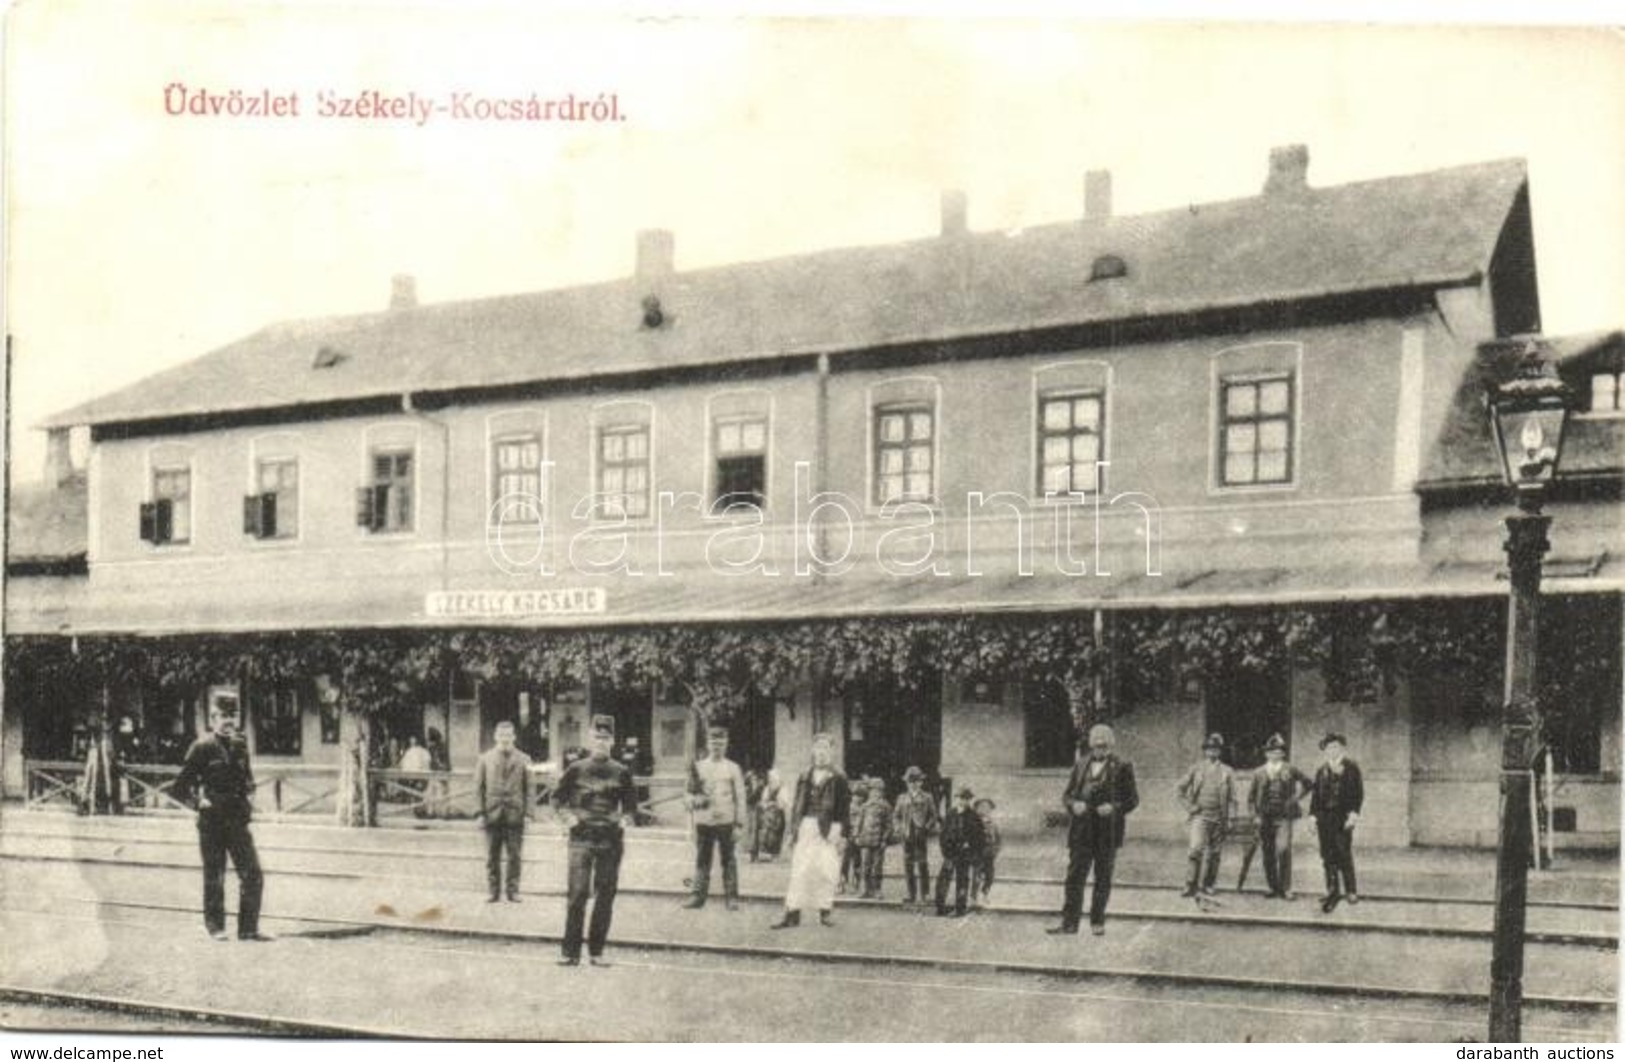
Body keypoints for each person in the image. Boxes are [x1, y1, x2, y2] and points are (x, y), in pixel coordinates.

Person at [173, 699, 271, 942]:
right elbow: (179, 787)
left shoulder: (240, 745)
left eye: (232, 716)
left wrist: (250, 789)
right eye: (222, 716)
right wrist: (198, 803)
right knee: (214, 876)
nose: (228, 721)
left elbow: (246, 776)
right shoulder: (201, 747)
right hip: (212, 822)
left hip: (237, 820)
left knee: (253, 874)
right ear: (213, 718)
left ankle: (248, 930)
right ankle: (215, 927)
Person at [552, 722, 638, 966]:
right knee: (577, 894)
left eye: (606, 738)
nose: (601, 742)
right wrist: (567, 818)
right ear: (590, 741)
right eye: (597, 737)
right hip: (582, 837)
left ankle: (597, 953)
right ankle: (570, 953)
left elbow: (631, 806)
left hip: (610, 840)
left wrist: (625, 819)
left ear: (612, 742)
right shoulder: (576, 768)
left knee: (605, 895)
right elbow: (557, 798)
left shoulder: (622, 771)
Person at [1049, 723, 1139, 937]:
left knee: (1103, 878)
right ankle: (1069, 923)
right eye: (1097, 746)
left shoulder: (1123, 766)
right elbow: (1067, 795)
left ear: (1111, 746)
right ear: (1091, 745)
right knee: (1074, 878)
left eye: (1105, 746)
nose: (1101, 749)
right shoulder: (1080, 764)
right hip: (1081, 832)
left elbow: (1132, 800)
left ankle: (1097, 921)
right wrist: (1073, 805)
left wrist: (1114, 808)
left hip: (1107, 833)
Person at [771, 733, 850, 929]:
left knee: (826, 870)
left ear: (832, 751)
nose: (821, 752)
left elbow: (843, 808)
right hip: (806, 826)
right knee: (799, 870)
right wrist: (793, 831)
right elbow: (798, 804)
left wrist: (841, 833)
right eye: (818, 748)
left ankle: (825, 912)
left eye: (825, 748)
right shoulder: (805, 775)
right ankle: (792, 913)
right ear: (813, 750)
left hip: (828, 827)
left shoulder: (839, 777)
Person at [682, 726, 748, 911]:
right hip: (704, 821)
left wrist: (739, 825)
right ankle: (697, 896)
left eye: (721, 743)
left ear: (726, 744)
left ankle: (732, 898)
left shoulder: (733, 768)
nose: (717, 746)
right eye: (713, 743)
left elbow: (740, 798)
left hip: (726, 821)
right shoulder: (699, 767)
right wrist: (695, 800)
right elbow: (687, 795)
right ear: (707, 744)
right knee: (702, 860)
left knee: (729, 860)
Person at [474, 721, 534, 903]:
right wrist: (479, 813)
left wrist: (529, 814)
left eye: (508, 736)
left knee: (515, 856)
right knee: (492, 856)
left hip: (515, 814)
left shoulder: (525, 759)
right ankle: (493, 891)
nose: (505, 739)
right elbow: (478, 788)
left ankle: (513, 891)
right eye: (501, 736)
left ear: (514, 737)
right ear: (495, 737)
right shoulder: (484, 759)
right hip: (492, 814)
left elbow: (530, 788)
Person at [1248, 733, 1312, 899]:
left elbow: (1309, 783)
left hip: (1284, 816)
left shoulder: (1290, 769)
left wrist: (1296, 799)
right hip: (1265, 817)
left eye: (1278, 751)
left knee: (1283, 849)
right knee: (1268, 851)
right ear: (1266, 754)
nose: (1275, 754)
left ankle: (1286, 888)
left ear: (1283, 754)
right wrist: (1255, 816)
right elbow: (1250, 798)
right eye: (1271, 751)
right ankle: (1272, 887)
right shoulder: (1258, 772)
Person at [1310, 732, 1364, 912]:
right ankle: (1332, 890)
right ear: (1325, 750)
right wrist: (1312, 817)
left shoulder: (1351, 768)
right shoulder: (1321, 770)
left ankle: (1351, 890)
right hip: (1324, 819)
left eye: (1335, 747)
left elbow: (1358, 793)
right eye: (1328, 747)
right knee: (1327, 855)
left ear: (1341, 748)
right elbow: (1316, 797)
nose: (1332, 750)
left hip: (1343, 818)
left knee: (1343, 852)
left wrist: (1353, 815)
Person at [1177, 732, 1234, 898]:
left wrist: (1230, 818)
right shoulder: (1196, 769)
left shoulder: (1227, 771)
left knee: (1215, 853)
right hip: (1200, 816)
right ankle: (1190, 884)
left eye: (1216, 749)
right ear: (1205, 751)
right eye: (1209, 749)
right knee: (1195, 850)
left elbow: (1233, 799)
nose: (1212, 752)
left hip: (1219, 816)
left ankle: (1209, 884)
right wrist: (1190, 807)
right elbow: (1180, 789)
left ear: (1220, 752)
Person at [934, 786, 985, 917]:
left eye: (965, 799)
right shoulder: (950, 814)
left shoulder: (973, 817)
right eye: (959, 798)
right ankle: (940, 907)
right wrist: (945, 851)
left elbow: (980, 837)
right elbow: (943, 834)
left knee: (962, 881)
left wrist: (970, 846)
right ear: (955, 799)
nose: (962, 801)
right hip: (950, 853)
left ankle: (960, 909)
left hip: (964, 855)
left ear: (969, 801)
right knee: (943, 880)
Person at [892, 765, 939, 905]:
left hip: (920, 835)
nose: (913, 784)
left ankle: (925, 894)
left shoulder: (927, 797)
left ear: (921, 782)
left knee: (922, 864)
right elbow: (896, 816)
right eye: (910, 781)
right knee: (908, 865)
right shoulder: (901, 798)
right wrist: (898, 828)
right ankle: (911, 894)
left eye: (916, 781)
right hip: (907, 835)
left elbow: (934, 816)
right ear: (907, 783)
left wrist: (926, 827)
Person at [853, 776, 893, 899]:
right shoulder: (864, 806)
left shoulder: (886, 806)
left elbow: (888, 825)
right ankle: (865, 889)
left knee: (877, 866)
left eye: (878, 791)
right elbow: (859, 822)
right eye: (873, 790)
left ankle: (877, 889)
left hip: (878, 841)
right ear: (870, 792)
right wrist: (856, 835)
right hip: (865, 840)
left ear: (882, 792)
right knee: (865, 866)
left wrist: (885, 839)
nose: (876, 793)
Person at [839, 778, 868, 894]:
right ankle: (842, 883)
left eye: (861, 796)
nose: (858, 798)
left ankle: (856, 883)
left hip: (860, 838)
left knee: (858, 861)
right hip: (849, 837)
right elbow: (844, 822)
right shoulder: (847, 807)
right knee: (845, 861)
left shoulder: (865, 808)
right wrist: (844, 835)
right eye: (856, 795)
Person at [972, 796, 1001, 909]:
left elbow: (998, 839)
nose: (985, 810)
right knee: (976, 876)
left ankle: (985, 894)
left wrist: (995, 850)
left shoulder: (993, 823)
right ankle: (974, 897)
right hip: (978, 853)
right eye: (982, 807)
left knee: (990, 876)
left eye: (988, 808)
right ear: (977, 809)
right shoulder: (974, 822)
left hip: (989, 854)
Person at [757, 769, 788, 860]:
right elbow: (763, 800)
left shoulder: (782, 788)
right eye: (770, 778)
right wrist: (765, 804)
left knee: (776, 832)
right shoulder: (767, 788)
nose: (770, 779)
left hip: (777, 814)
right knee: (766, 832)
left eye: (772, 778)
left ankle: (775, 853)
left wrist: (774, 804)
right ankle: (765, 853)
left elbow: (783, 803)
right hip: (767, 814)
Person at [744, 766, 768, 862]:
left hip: (759, 807)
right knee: (753, 830)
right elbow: (748, 798)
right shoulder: (748, 785)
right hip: (751, 807)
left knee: (758, 830)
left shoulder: (761, 782)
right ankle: (752, 854)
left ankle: (756, 853)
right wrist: (758, 788)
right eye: (752, 777)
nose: (754, 779)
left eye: (755, 777)